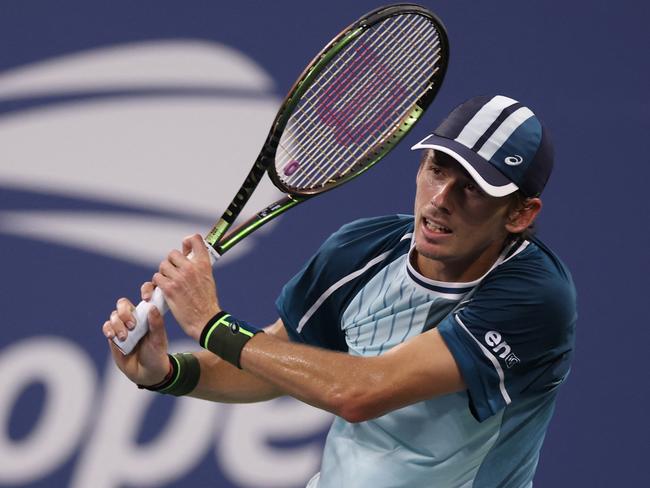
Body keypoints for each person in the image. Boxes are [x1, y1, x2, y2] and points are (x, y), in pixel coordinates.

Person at [103, 94, 577, 488]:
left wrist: (210, 323)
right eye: (437, 168)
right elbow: (273, 366)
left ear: (519, 215)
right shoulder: (360, 251)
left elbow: (360, 392)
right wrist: (165, 371)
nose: (440, 199)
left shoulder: (534, 296)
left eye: (472, 188)